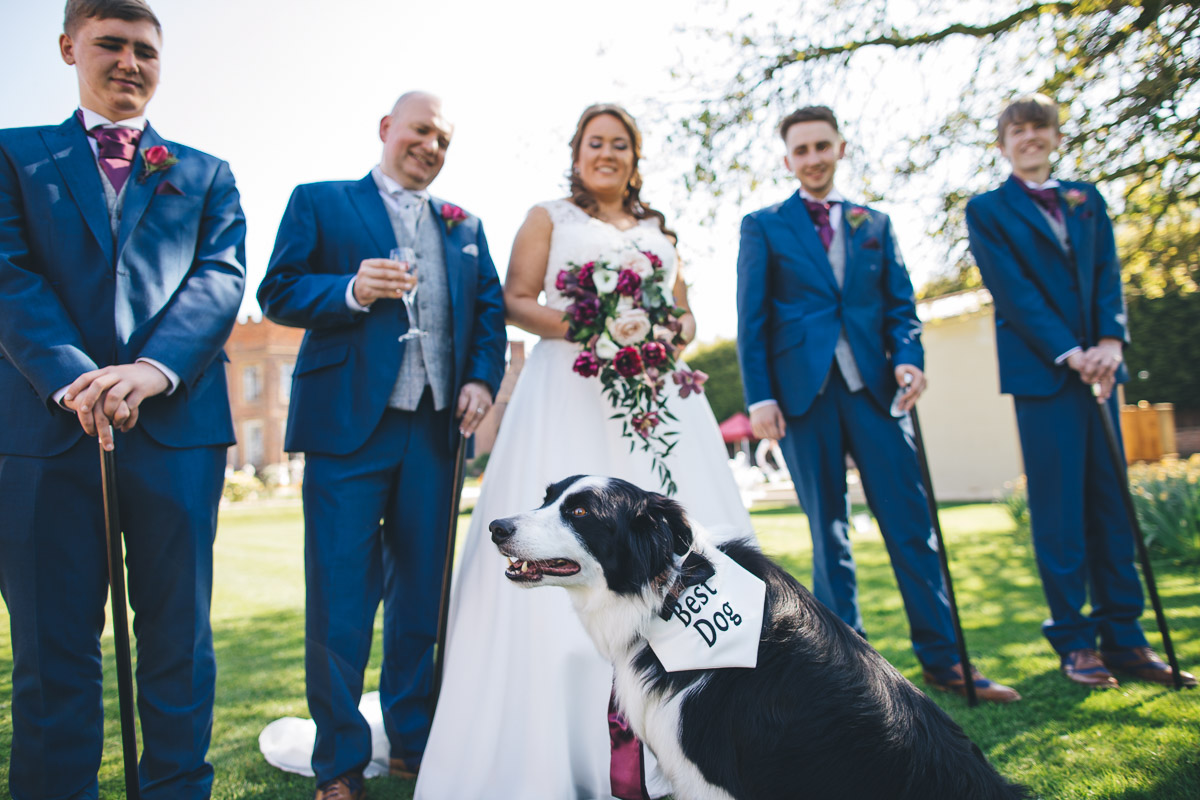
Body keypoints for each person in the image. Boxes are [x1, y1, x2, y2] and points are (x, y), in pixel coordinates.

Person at [414, 103, 753, 800]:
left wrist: (664, 332)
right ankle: (552, 729)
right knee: (562, 535)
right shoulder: (547, 217)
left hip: (656, 400)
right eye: (595, 143)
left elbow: (685, 314)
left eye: (620, 144)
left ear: (635, 157)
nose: (607, 153)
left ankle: (698, 724)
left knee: (681, 541)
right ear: (576, 154)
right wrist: (596, 328)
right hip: (566, 393)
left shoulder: (660, 229)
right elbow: (515, 299)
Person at [0, 1, 247, 797]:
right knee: (51, 650)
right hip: (44, 433)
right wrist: (77, 377)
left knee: (179, 643)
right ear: (68, 47)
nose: (129, 63)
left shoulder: (206, 173)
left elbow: (220, 279)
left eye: (146, 49)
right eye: (110, 44)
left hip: (177, 430)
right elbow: (8, 275)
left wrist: (150, 370)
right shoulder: (12, 155)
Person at [256, 92, 507, 799]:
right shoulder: (320, 201)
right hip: (346, 429)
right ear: (386, 129)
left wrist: (481, 380)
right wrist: (350, 289)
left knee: (422, 599)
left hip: (436, 431)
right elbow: (277, 291)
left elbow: (489, 313)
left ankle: (412, 743)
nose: (431, 146)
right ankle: (338, 762)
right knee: (339, 598)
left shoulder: (465, 224)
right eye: (421, 131)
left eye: (444, 139)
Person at [735, 105, 1020, 704]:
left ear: (840, 148)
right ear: (787, 160)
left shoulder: (876, 223)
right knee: (828, 532)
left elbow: (900, 309)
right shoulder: (763, 226)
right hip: (803, 398)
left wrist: (910, 358)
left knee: (912, 526)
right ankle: (848, 674)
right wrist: (760, 397)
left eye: (822, 146)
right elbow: (751, 318)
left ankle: (946, 660)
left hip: (876, 392)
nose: (813, 158)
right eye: (801, 150)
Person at [966, 94, 1196, 690]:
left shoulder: (1086, 198)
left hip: (1102, 373)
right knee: (1059, 512)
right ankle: (1074, 641)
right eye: (1018, 130)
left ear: (1056, 137)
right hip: (1045, 377)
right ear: (1002, 145)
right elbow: (1013, 291)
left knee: (1112, 506)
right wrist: (1071, 352)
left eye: (1039, 127)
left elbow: (1106, 274)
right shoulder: (986, 210)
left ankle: (1127, 638)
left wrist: (1111, 344)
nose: (1030, 137)